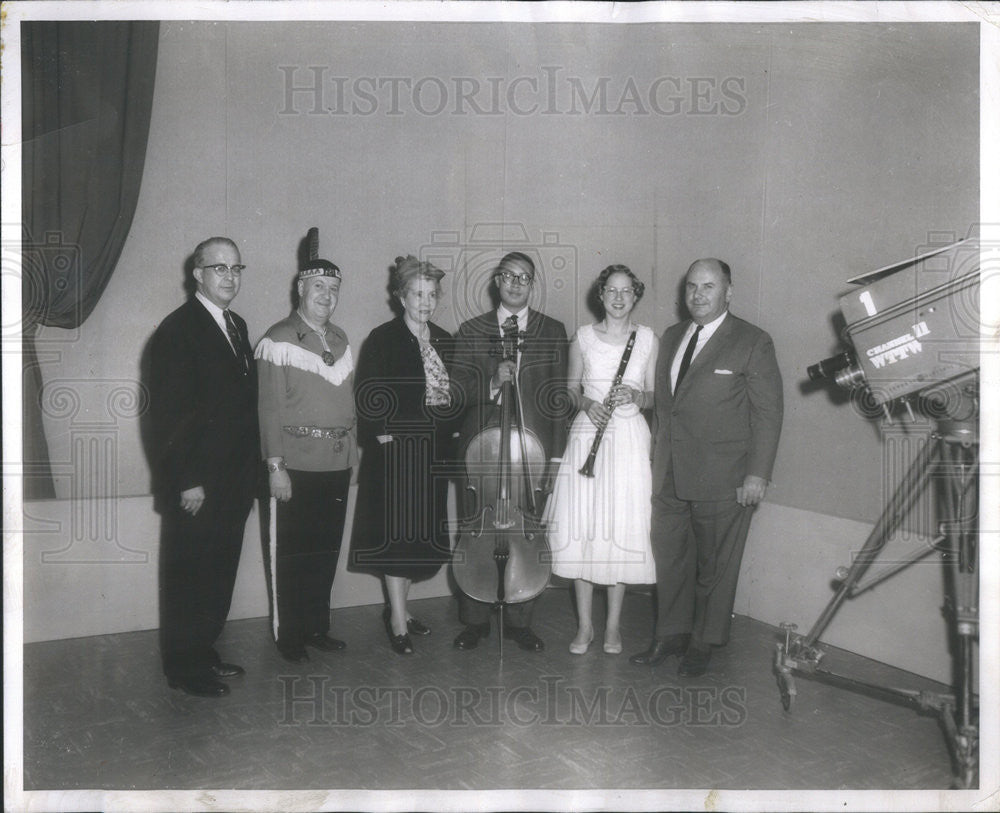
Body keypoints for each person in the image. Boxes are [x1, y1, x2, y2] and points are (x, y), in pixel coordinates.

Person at [630, 258, 783, 676]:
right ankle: (671, 634)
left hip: (725, 476)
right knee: (671, 557)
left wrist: (758, 474)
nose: (699, 294)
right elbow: (665, 406)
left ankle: (703, 641)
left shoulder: (752, 341)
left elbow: (768, 414)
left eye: (709, 287)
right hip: (670, 473)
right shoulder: (674, 336)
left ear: (728, 292)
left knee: (716, 565)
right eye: (692, 287)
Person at [149, 237, 259, 697]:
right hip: (197, 483)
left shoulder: (236, 324)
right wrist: (186, 480)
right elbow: (167, 416)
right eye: (219, 268)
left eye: (236, 267)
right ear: (198, 274)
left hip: (233, 479)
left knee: (218, 571)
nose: (230, 276)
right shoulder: (177, 330)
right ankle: (183, 668)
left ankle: (202, 649)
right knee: (188, 574)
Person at [451, 251, 569, 652]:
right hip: (480, 458)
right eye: (508, 276)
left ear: (532, 284)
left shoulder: (553, 331)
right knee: (475, 531)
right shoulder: (470, 330)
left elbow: (556, 400)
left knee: (528, 532)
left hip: (530, 459)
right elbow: (455, 393)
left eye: (524, 278)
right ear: (496, 281)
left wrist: (554, 458)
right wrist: (490, 382)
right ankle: (474, 620)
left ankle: (521, 620)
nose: (516, 284)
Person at [254, 233, 356, 663]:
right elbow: (267, 409)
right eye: (319, 288)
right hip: (293, 466)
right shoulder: (277, 339)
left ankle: (317, 626)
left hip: (336, 464)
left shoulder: (342, 338)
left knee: (324, 551)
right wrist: (275, 466)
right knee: (290, 555)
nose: (327, 296)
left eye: (333, 290)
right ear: (301, 289)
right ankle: (289, 634)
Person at [546, 265, 657, 655]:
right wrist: (589, 404)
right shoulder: (582, 337)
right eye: (611, 290)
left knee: (621, 528)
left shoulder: (647, 339)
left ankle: (612, 627)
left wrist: (638, 397)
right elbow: (569, 391)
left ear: (636, 295)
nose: (619, 297)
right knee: (585, 527)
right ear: (601, 295)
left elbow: (655, 396)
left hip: (627, 438)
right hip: (588, 435)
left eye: (627, 290)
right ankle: (585, 626)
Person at [350, 256, 457, 655]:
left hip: (432, 456)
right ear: (401, 296)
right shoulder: (382, 338)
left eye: (431, 294)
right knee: (397, 537)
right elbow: (367, 395)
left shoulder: (445, 339)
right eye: (417, 294)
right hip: (396, 457)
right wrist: (383, 437)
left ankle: (402, 608)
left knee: (417, 539)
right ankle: (396, 618)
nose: (425, 302)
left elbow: (454, 398)